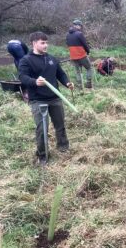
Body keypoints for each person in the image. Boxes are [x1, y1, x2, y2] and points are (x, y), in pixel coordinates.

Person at [19, 31, 74, 166]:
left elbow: (60, 74)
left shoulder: (51, 58)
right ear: (34, 43)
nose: (45, 45)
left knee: (60, 125)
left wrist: (67, 83)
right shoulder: (26, 60)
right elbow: (22, 77)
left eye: (46, 42)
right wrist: (34, 82)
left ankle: (63, 146)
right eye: (42, 43)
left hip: (55, 98)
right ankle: (42, 155)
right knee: (42, 129)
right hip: (38, 100)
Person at [66, 19, 93, 89]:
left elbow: (68, 44)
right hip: (81, 55)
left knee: (78, 71)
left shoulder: (68, 35)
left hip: (73, 56)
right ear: (77, 25)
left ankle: (80, 85)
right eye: (80, 26)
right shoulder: (79, 34)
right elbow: (85, 44)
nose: (80, 27)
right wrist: (88, 51)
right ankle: (88, 83)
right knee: (89, 68)